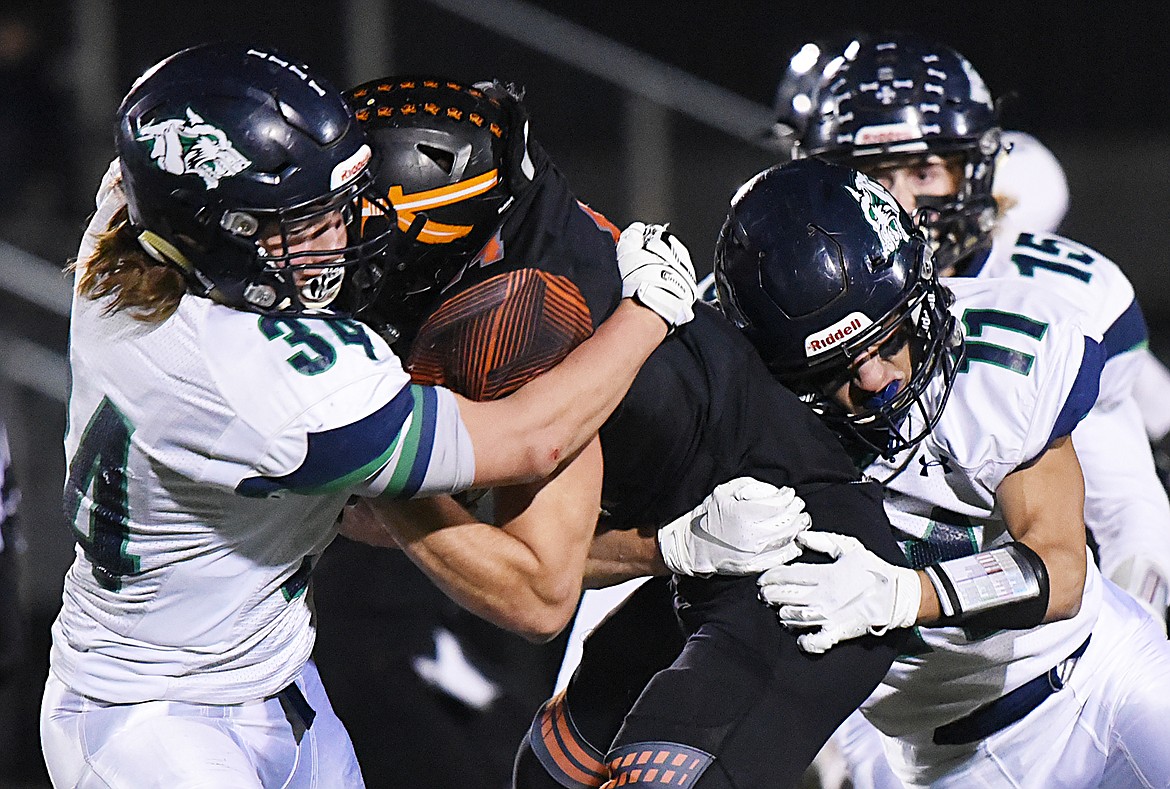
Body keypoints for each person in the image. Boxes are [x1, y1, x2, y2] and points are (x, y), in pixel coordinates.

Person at [39, 44, 700, 789]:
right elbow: (532, 439)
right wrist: (649, 311)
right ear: (216, 230)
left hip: (272, 678)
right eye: (302, 221)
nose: (338, 237)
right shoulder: (251, 377)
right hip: (156, 721)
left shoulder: (130, 223)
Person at [330, 75, 911, 788]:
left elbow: (536, 589)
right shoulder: (501, 256)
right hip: (702, 561)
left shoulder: (515, 317)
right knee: (546, 778)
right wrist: (665, 546)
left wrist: (376, 459)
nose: (327, 237)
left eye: (346, 216)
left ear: (430, 227)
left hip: (798, 554)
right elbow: (475, 534)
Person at [715, 156, 1170, 787]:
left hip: (1101, 681)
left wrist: (902, 595)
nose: (875, 381)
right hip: (941, 760)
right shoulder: (743, 429)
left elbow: (1060, 569)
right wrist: (679, 542)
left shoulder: (997, 356)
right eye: (834, 368)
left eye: (885, 340)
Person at [795, 33, 1170, 628]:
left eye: (923, 171)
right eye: (869, 176)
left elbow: (1125, 509)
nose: (897, 204)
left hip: (1028, 620)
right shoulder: (781, 298)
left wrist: (1135, 624)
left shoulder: (1065, 295)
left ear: (974, 170)